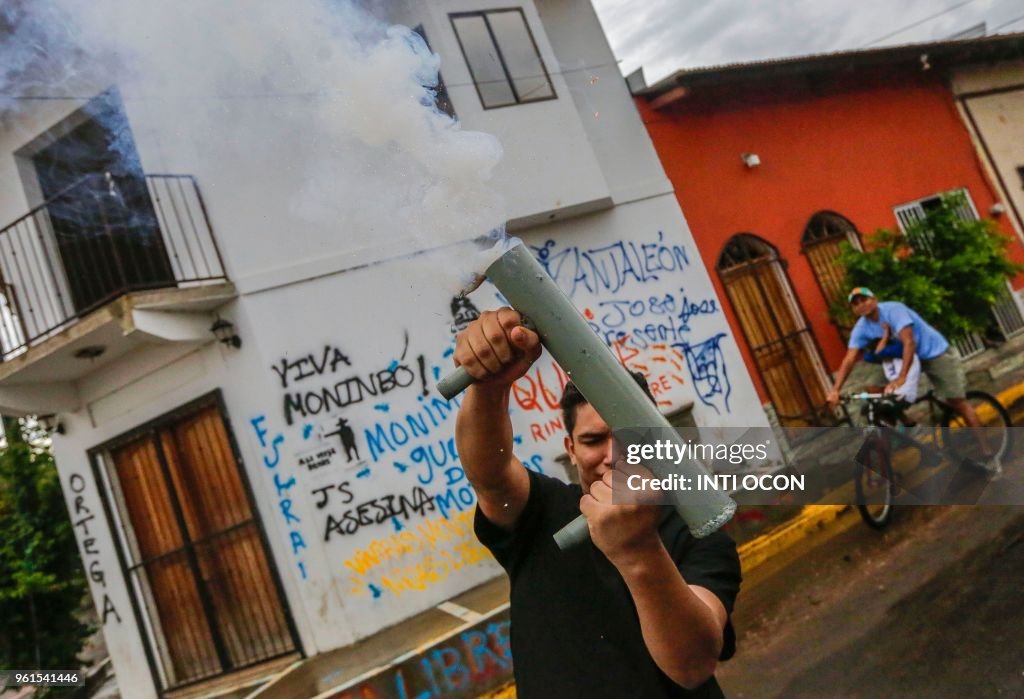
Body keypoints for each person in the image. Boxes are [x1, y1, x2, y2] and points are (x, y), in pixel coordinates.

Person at [453, 307, 741, 699]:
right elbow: (490, 474)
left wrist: (638, 551)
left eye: (630, 437)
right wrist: (488, 387)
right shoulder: (542, 512)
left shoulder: (699, 534)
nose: (613, 456)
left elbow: (692, 666)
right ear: (570, 449)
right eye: (592, 440)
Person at [825, 287, 993, 468]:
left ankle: (987, 451)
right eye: (855, 304)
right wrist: (835, 390)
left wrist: (902, 377)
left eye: (864, 300)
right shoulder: (861, 327)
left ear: (874, 299)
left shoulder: (893, 310)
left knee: (956, 400)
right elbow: (849, 359)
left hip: (932, 353)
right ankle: (909, 425)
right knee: (874, 391)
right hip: (900, 359)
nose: (861, 305)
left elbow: (909, 342)